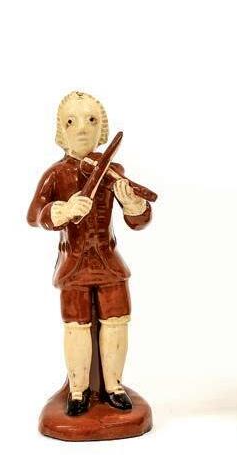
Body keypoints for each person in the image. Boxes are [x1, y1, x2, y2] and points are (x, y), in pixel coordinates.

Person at [27, 91, 152, 416]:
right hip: (73, 264)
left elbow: (139, 221)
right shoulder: (56, 174)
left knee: (117, 321)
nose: (82, 128)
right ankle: (78, 389)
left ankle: (114, 385)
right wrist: (64, 210)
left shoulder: (112, 170)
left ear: (102, 130)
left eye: (91, 120)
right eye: (71, 121)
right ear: (61, 131)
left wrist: (133, 204)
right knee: (76, 326)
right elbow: (35, 214)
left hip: (108, 262)